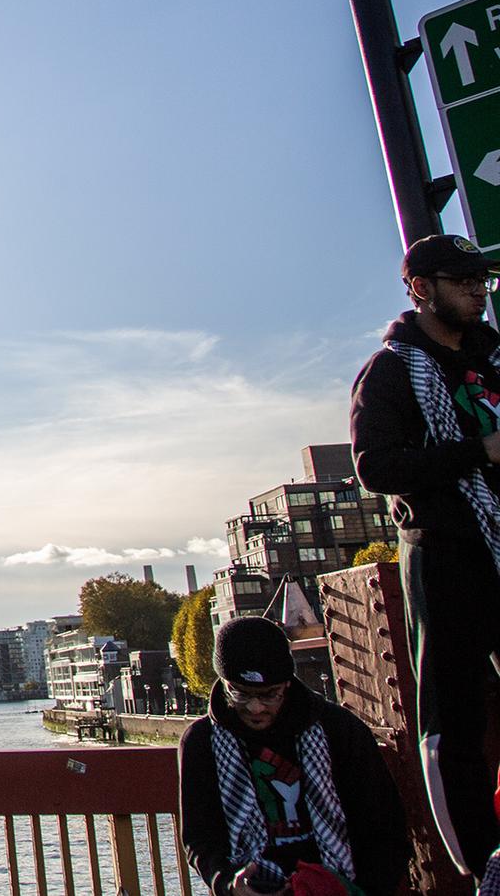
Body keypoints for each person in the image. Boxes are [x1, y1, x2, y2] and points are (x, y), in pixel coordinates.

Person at [351, 232, 500, 876]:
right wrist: (478, 452)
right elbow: (375, 467)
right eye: (462, 279)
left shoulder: (494, 362)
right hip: (445, 554)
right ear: (420, 288)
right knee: (455, 714)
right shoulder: (390, 371)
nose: (477, 290)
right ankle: (481, 866)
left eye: (482, 280)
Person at [178, 616, 410, 896]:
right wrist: (228, 884)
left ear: (287, 684)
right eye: (240, 694)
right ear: (224, 683)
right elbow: (200, 837)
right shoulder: (201, 742)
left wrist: (365, 890)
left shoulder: (338, 729)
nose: (255, 707)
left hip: (339, 886)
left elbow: (385, 825)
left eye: (268, 695)